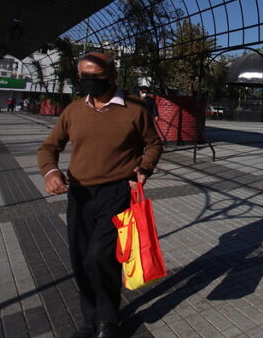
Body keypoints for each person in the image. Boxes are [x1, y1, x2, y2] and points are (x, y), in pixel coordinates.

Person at [38, 52, 162, 338]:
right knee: (81, 258)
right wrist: (50, 172)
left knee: (100, 256)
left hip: (117, 192)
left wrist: (144, 168)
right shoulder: (73, 111)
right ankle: (89, 320)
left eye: (96, 77)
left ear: (112, 76)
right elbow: (49, 147)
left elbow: (153, 144)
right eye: (84, 77)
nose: (89, 82)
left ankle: (108, 321)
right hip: (80, 194)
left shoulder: (135, 109)